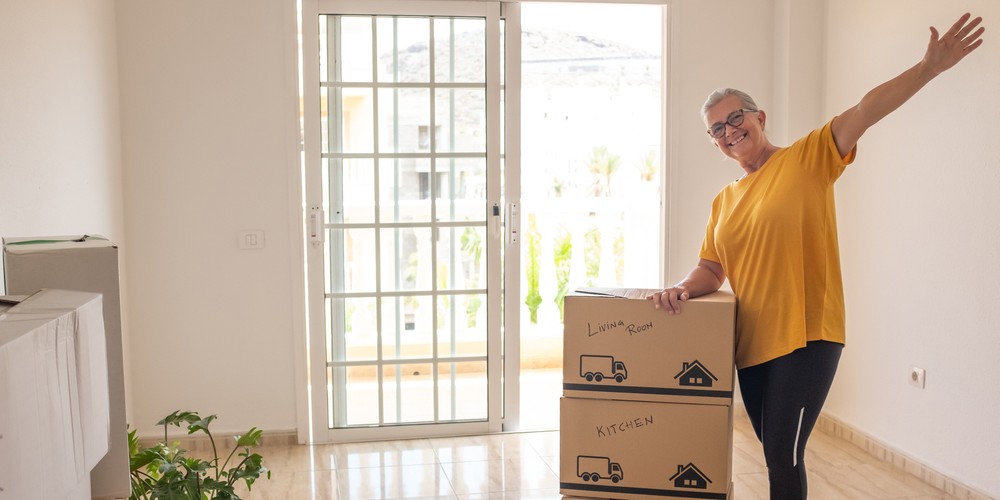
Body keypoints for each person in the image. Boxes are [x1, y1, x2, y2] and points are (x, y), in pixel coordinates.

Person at [647, 12, 985, 500]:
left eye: (735, 118)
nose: (728, 131)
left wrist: (927, 68)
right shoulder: (724, 201)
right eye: (717, 129)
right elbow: (711, 268)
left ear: (759, 118)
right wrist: (681, 287)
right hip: (752, 346)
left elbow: (865, 110)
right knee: (776, 455)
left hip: (807, 337)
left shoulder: (807, 158)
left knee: (783, 455)